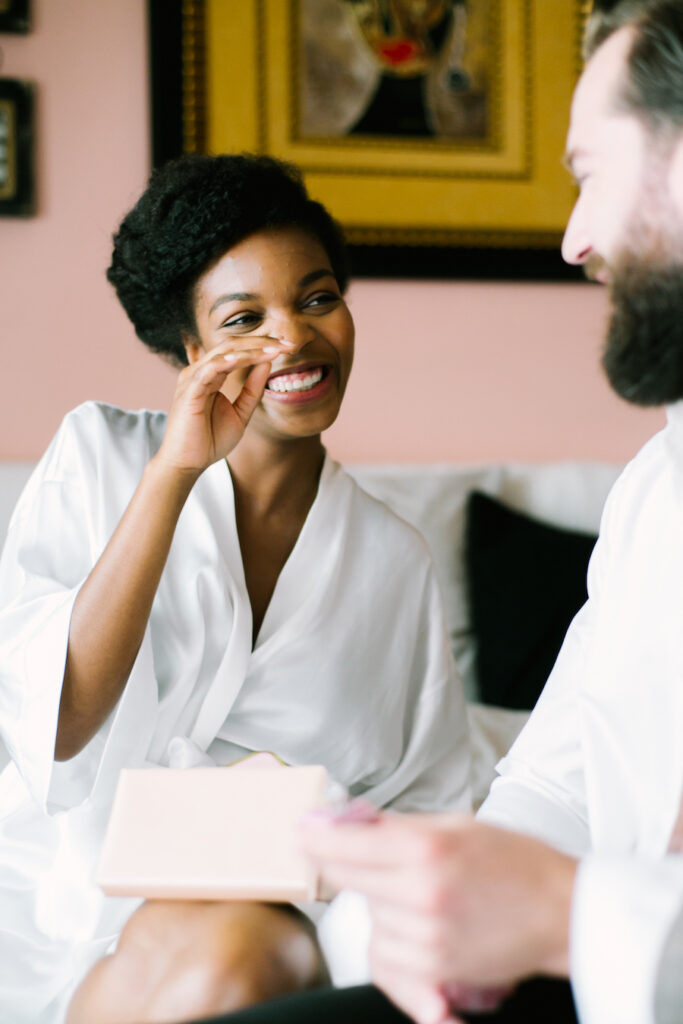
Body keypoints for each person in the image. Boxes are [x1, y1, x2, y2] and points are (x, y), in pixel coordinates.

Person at [0, 153, 471, 1024]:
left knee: (240, 962)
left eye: (318, 297)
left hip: (282, 912)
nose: (292, 336)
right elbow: (58, 723)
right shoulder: (100, 457)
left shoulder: (392, 561)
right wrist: (174, 472)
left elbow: (428, 791)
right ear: (188, 348)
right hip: (64, 894)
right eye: (244, 317)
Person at [294, 2, 683, 1024]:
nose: (573, 239)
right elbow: (549, 783)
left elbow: (570, 897)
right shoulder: (653, 491)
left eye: (588, 172)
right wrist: (426, 904)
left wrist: (567, 913)